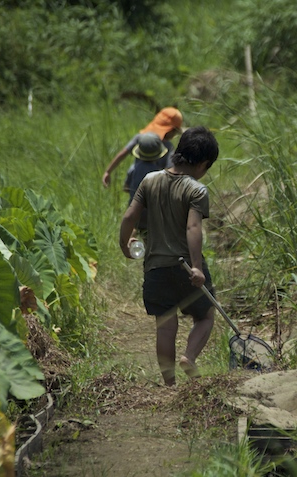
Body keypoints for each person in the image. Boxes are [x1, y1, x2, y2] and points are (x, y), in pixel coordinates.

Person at [119, 126, 219, 386]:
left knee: (165, 325)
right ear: (204, 164)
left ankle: (170, 384)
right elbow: (193, 227)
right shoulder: (196, 190)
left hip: (155, 269)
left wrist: (124, 244)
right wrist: (196, 267)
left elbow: (129, 216)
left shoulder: (149, 180)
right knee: (205, 315)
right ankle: (189, 357)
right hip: (185, 268)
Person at [102, 106, 183, 197]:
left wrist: (108, 171)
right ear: (171, 130)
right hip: (154, 189)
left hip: (136, 184)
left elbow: (123, 153)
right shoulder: (168, 147)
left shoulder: (140, 138)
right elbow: (170, 169)